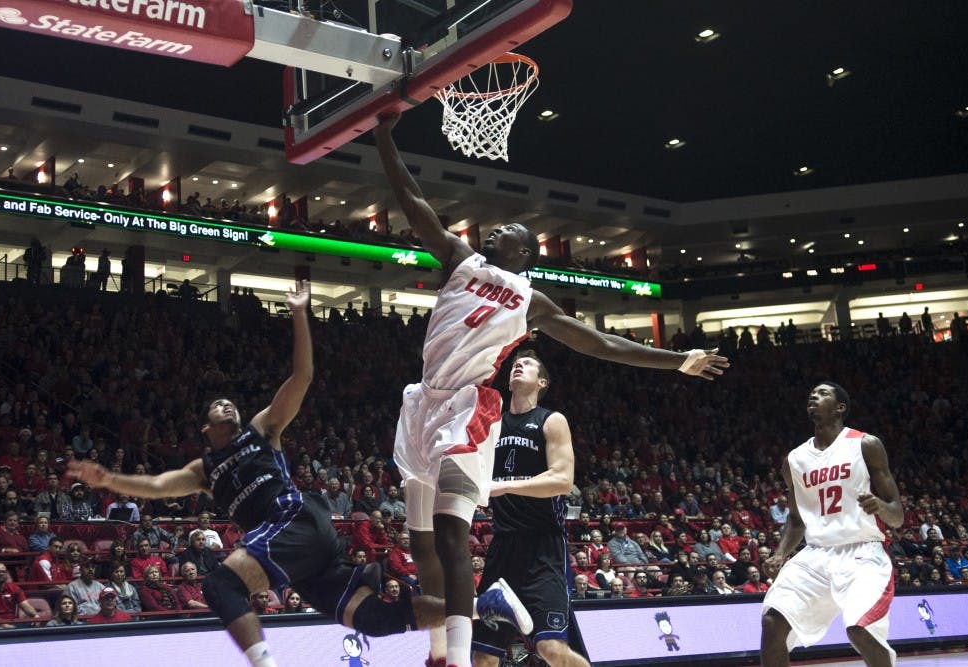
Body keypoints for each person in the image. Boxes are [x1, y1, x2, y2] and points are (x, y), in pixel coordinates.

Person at [375, 113, 728, 667]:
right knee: (419, 540)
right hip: (423, 400)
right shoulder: (459, 260)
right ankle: (440, 652)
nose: (493, 233)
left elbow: (600, 345)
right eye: (493, 231)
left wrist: (677, 361)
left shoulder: (531, 302)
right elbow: (412, 201)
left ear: (524, 255)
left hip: (467, 406)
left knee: (449, 533)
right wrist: (384, 138)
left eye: (507, 234)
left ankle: (459, 659)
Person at [68, 281, 529, 667]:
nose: (227, 403)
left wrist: (299, 314)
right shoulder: (203, 470)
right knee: (374, 619)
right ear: (206, 428)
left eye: (231, 401)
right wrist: (108, 480)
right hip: (297, 558)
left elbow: (302, 376)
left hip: (296, 524)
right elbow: (153, 486)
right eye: (216, 406)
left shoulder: (262, 429)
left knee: (219, 583)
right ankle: (482, 605)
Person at [761, 383, 904, 667]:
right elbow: (796, 519)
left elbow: (897, 515)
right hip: (817, 553)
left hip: (862, 553)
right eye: (811, 393)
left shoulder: (865, 445)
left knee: (859, 630)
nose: (814, 396)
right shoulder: (794, 460)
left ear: (840, 407)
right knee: (772, 622)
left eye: (823, 393)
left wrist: (879, 506)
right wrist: (780, 553)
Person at [473, 352, 587, 667]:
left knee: (551, 648)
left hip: (544, 548)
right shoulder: (492, 424)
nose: (518, 365)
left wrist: (505, 485)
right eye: (514, 364)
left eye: (528, 364)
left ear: (542, 382)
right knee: (483, 655)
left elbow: (562, 480)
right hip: (502, 548)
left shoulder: (551, 420)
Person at [0, 563, 41, 628]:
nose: (1, 574)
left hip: (13, 623)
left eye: (3, 572)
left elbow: (25, 605)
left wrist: (35, 616)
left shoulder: (14, 588)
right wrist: (6, 626)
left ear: (6, 574)